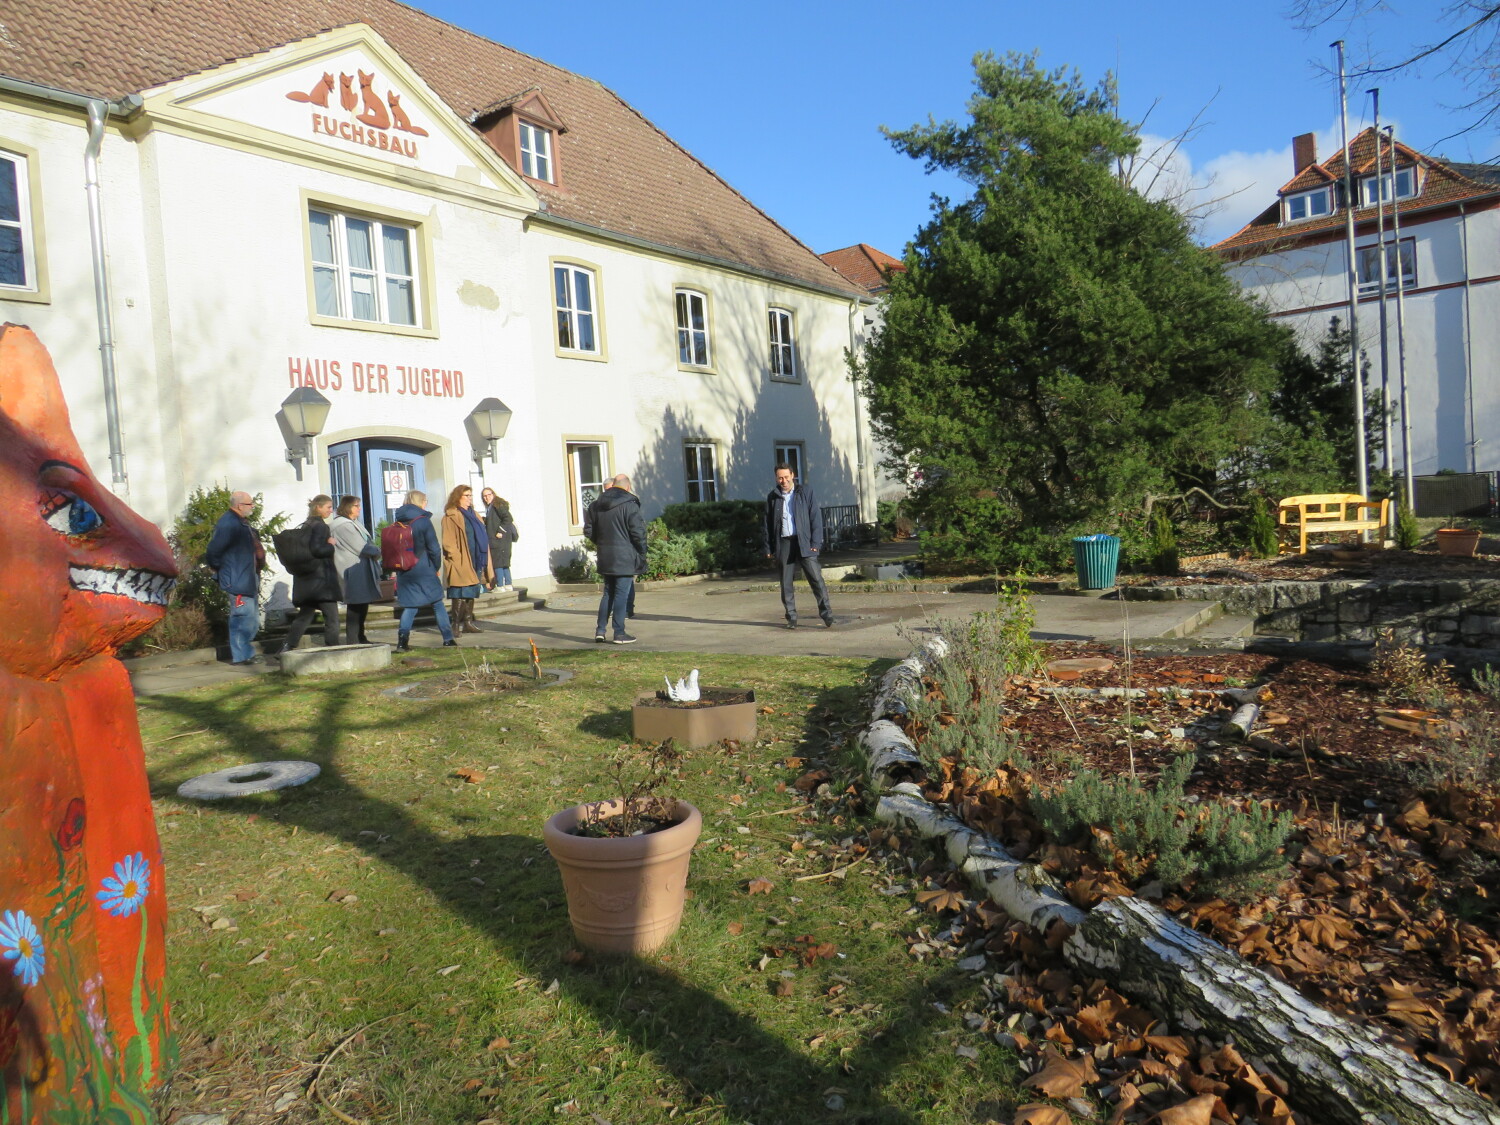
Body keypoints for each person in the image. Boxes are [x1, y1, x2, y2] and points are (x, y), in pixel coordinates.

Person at [762, 463, 833, 629]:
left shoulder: (805, 492)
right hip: (784, 543)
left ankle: (827, 614)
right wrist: (768, 548)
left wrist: (816, 543)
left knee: (816, 579)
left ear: (793, 475)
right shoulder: (773, 497)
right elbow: (766, 524)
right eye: (780, 477)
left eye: (786, 477)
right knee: (786, 583)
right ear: (776, 478)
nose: (784, 480)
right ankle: (791, 617)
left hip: (805, 542)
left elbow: (815, 517)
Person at [583, 473, 646, 643]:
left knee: (608, 593)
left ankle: (600, 630)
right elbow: (638, 532)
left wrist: (602, 543)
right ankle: (619, 632)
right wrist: (641, 551)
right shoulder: (630, 504)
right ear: (628, 486)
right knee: (621, 594)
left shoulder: (596, 505)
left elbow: (589, 530)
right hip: (625, 555)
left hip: (606, 555)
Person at [205, 489, 265, 664]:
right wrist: (223, 570)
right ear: (239, 505)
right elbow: (213, 551)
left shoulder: (240, 522)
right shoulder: (229, 523)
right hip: (237, 579)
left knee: (251, 619)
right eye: (249, 503)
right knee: (242, 619)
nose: (252, 506)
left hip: (247, 577)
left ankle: (246, 653)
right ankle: (241, 656)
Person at [390, 501, 457, 651]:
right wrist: (435, 566)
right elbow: (434, 548)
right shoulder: (423, 522)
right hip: (424, 569)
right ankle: (448, 639)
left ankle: (402, 642)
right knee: (437, 604)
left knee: (410, 607)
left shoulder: (397, 523)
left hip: (405, 571)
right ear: (419, 505)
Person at [281, 494, 341, 653]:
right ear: (318, 508)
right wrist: (331, 545)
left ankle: (287, 647)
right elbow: (317, 550)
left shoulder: (306, 525)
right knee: (332, 618)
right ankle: (333, 650)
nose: (331, 510)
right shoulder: (321, 526)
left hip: (307, 581)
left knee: (304, 617)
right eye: (328, 507)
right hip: (321, 581)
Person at [329, 495, 383, 644]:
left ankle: (360, 636)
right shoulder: (343, 525)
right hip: (351, 569)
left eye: (359, 505)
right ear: (347, 507)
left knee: (362, 603)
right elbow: (362, 547)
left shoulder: (353, 523)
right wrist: (377, 551)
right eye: (356, 506)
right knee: (355, 605)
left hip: (359, 568)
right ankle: (353, 639)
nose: (359, 508)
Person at [441, 485, 493, 634]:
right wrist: (456, 558)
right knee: (459, 593)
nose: (470, 498)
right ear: (458, 497)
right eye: (466, 496)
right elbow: (448, 541)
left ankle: (468, 623)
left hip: (476, 558)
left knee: (471, 592)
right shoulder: (451, 515)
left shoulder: (474, 514)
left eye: (471, 495)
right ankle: (455, 625)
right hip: (461, 560)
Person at [481, 486, 519, 592]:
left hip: (498, 539)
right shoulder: (491, 507)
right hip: (499, 539)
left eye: (489, 494)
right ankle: (508, 584)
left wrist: (500, 531)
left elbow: (508, 518)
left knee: (498, 562)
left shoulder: (497, 505)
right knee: (504, 562)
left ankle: (500, 585)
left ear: (493, 494)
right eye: (484, 496)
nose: (486, 497)